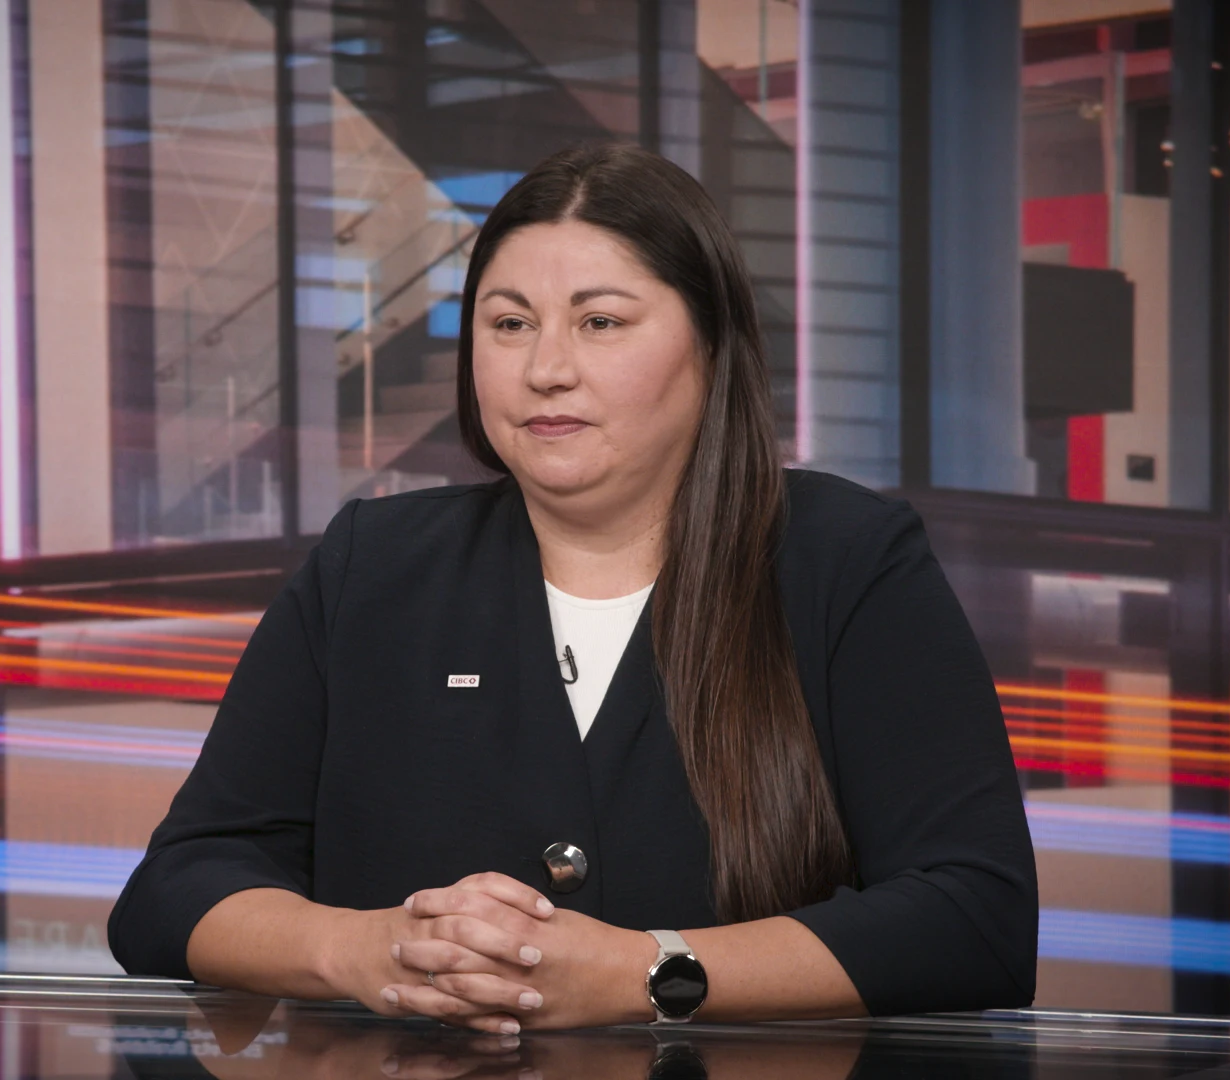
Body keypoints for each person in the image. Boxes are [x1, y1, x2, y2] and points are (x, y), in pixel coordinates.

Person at [109, 141, 1037, 1033]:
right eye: (510, 324)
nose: (546, 369)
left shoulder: (847, 558)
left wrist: (649, 972)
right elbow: (176, 891)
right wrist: (366, 950)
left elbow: (973, 918)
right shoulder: (375, 565)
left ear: (711, 345)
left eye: (601, 322)